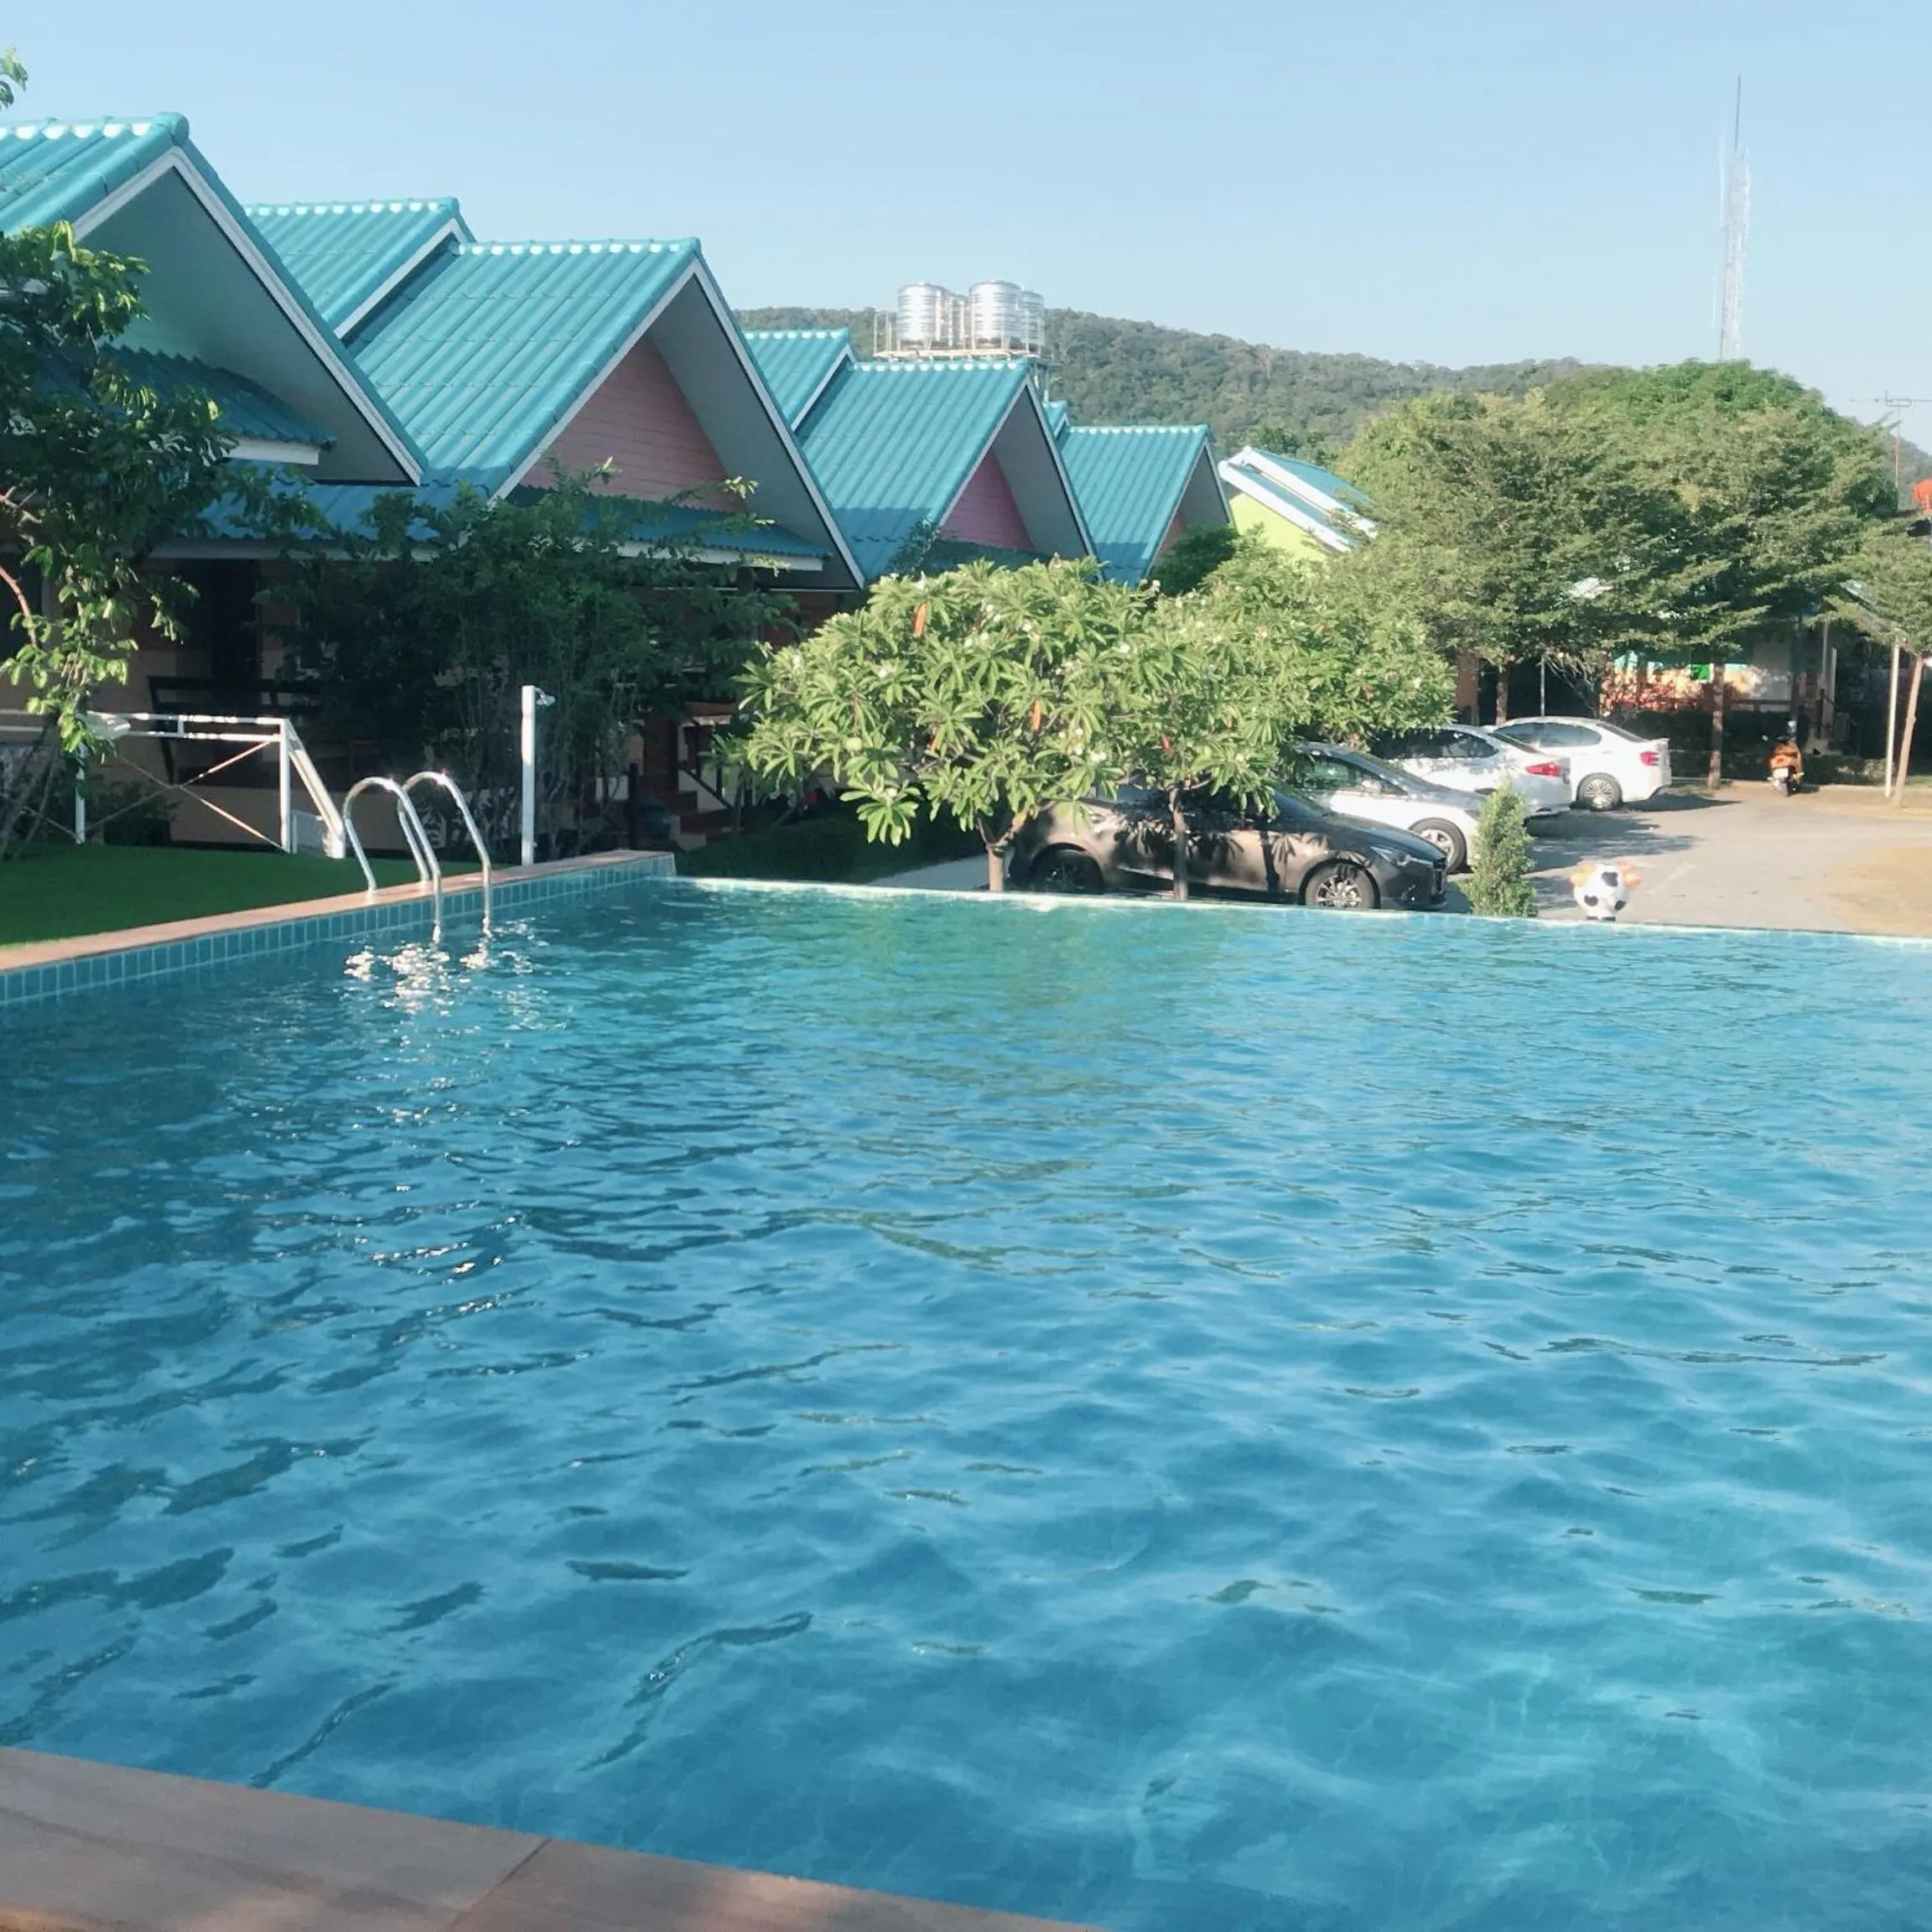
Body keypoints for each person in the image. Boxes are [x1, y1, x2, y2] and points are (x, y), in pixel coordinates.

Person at [1768, 724, 1804, 795]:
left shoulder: (1789, 746)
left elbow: (1797, 755)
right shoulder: (1779, 747)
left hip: (1785, 765)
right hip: (1781, 765)